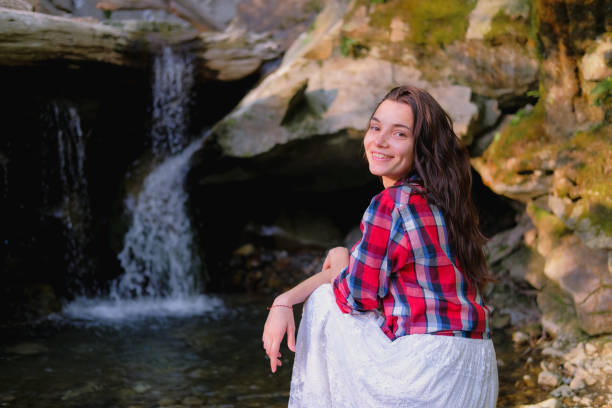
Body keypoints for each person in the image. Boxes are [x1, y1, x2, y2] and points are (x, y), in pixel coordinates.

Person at [262, 85, 498, 407]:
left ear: (423, 147)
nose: (379, 141)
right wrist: (286, 299)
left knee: (324, 303)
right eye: (375, 127)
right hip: (478, 369)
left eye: (399, 134)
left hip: (429, 375)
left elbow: (355, 295)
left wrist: (326, 269)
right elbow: (362, 274)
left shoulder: (392, 203)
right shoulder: (445, 200)